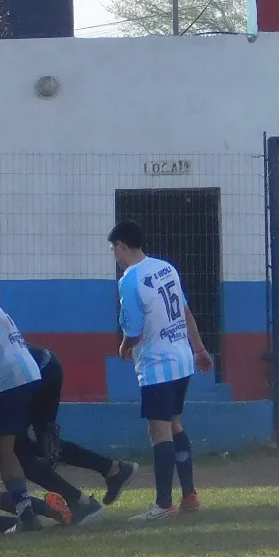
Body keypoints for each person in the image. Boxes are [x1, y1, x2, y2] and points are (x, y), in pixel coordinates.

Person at [109, 221, 213, 523]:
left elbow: (134, 329)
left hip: (158, 364)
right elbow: (184, 311)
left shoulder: (130, 279)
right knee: (175, 424)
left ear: (121, 245)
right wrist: (200, 348)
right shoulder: (166, 268)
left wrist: (125, 346)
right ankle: (189, 494)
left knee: (159, 431)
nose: (115, 254)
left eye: (114, 248)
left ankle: (163, 504)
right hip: (182, 359)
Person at [20, 344, 132, 518]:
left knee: (18, 451)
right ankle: (111, 470)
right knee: (36, 445)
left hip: (36, 373)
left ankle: (81, 501)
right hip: (44, 365)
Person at [0, 295, 50, 532]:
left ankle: (27, 515)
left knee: (2, 448)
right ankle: (31, 511)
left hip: (7, 378)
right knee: (12, 445)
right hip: (28, 370)